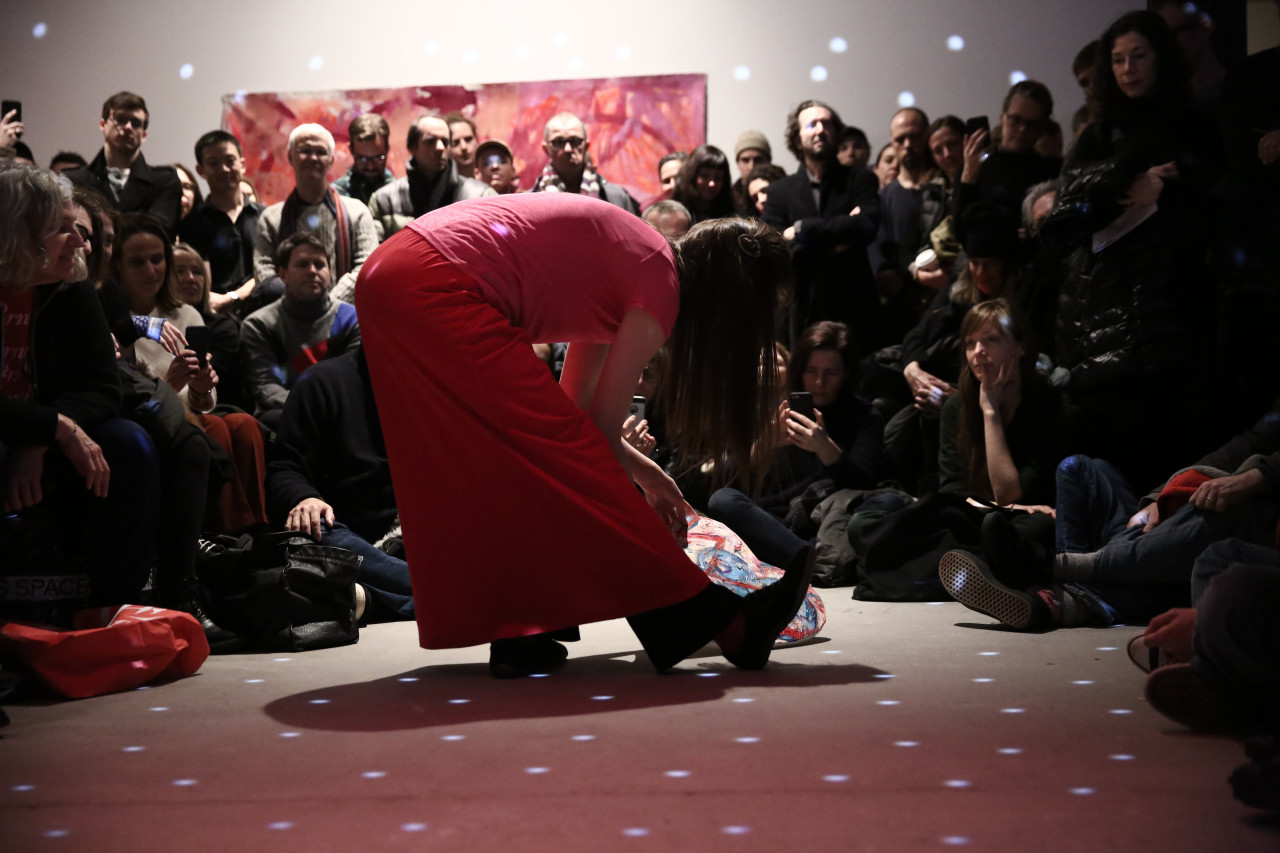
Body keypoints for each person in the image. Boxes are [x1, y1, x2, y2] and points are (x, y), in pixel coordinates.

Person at [356, 192, 811, 677]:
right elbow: (592, 438)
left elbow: (578, 417)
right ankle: (726, 625)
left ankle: (523, 635)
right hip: (431, 283)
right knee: (559, 465)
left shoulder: (636, 259)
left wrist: (650, 478)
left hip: (393, 273)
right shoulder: (659, 285)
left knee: (519, 466)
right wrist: (644, 493)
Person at [0, 163, 158, 613]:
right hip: (31, 426)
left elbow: (102, 388)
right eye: (61, 229)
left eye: (78, 228)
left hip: (45, 429)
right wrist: (54, 428)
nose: (80, 241)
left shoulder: (72, 285)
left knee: (131, 444)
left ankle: (115, 609)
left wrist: (44, 436)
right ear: (19, 234)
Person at [112, 215, 267, 534]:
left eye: (157, 260)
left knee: (245, 424)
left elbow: (204, 401)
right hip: (153, 420)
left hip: (190, 413)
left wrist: (199, 385)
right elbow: (131, 399)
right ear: (118, 267)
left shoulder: (185, 313)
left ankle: (258, 528)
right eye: (138, 263)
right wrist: (171, 384)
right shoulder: (115, 321)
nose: (151, 270)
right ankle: (227, 534)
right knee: (214, 428)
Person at [707, 321, 883, 571]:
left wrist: (825, 447)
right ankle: (803, 559)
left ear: (845, 373)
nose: (819, 381)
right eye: (811, 371)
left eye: (830, 373)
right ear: (799, 370)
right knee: (722, 500)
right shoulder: (779, 412)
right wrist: (764, 446)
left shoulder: (864, 416)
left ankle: (803, 560)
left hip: (823, 523)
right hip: (772, 522)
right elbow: (723, 479)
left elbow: (865, 485)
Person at [267, 348, 415, 623]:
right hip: (354, 535)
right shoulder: (322, 381)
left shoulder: (430, 384)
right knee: (314, 527)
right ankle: (442, 594)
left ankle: (370, 601)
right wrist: (305, 497)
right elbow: (284, 468)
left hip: (417, 532)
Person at [762, 100, 881, 350]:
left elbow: (867, 225)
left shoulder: (860, 179)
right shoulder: (779, 191)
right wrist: (839, 238)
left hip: (854, 303)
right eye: (812, 124)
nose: (820, 129)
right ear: (796, 139)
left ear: (836, 133)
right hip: (802, 307)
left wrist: (803, 229)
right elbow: (773, 249)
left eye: (827, 124)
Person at [241, 233, 360, 431]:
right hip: (286, 417)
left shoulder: (352, 319)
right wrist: (312, 408)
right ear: (283, 275)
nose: (312, 271)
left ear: (330, 273)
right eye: (302, 264)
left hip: (341, 413)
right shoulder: (258, 325)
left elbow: (352, 383)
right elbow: (265, 388)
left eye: (320, 265)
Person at [253, 123, 379, 305]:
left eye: (321, 152)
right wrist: (298, 306)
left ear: (331, 160)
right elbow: (264, 273)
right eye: (305, 150)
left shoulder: (357, 212)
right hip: (287, 322)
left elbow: (366, 267)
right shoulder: (271, 218)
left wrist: (327, 307)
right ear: (290, 156)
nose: (313, 158)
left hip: (344, 320)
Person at [63, 92, 183, 233]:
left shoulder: (165, 181)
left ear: (144, 134)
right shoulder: (73, 180)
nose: (128, 127)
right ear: (103, 124)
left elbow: (158, 231)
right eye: (120, 119)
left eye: (136, 123)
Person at [367, 113, 495, 241]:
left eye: (445, 141)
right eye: (430, 141)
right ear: (413, 147)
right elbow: (374, 257)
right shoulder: (384, 201)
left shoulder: (481, 196)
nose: (440, 147)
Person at [180, 130, 263, 310]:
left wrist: (233, 297)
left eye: (230, 161)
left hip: (264, 312)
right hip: (215, 317)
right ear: (200, 170)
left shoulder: (265, 217)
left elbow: (271, 271)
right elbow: (202, 283)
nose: (224, 169)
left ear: (242, 165)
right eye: (213, 163)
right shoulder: (192, 223)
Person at [531, 112, 639, 213]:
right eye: (559, 141)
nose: (568, 149)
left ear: (586, 146)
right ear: (546, 149)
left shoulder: (616, 198)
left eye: (575, 141)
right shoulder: (530, 202)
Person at [332, 114, 394, 206]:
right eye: (362, 159)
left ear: (387, 149)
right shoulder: (336, 195)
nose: (370, 166)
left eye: (378, 158)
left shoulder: (402, 193)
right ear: (351, 150)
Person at [671, 144, 736, 223]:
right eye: (704, 176)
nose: (712, 183)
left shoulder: (733, 214)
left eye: (718, 178)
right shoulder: (676, 211)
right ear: (692, 176)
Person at [730, 131, 772, 215]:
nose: (751, 166)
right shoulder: (729, 199)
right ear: (738, 163)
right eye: (745, 160)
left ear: (768, 161)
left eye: (758, 160)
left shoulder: (783, 192)